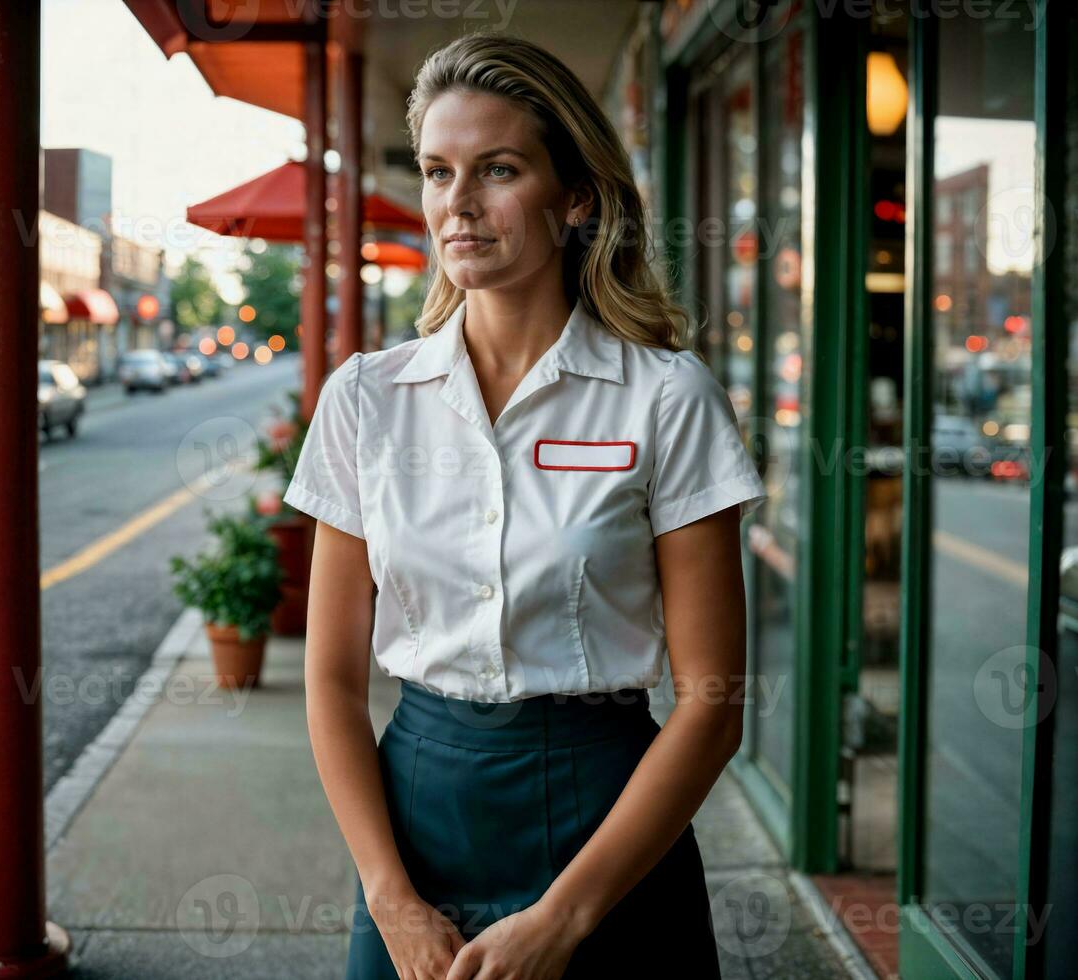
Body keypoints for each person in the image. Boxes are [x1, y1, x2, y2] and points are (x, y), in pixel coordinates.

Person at [283, 29, 768, 980]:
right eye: (436, 172)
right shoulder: (365, 399)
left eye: (495, 170)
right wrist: (392, 902)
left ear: (576, 196)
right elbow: (332, 684)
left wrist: (565, 918)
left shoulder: (667, 398)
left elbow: (712, 702)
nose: (455, 205)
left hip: (613, 822)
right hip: (416, 817)